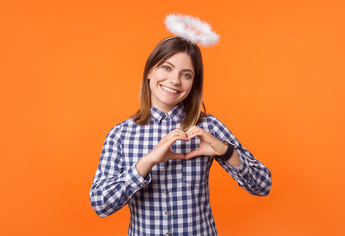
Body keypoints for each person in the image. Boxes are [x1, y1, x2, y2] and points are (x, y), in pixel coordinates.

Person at [89, 36, 272, 235]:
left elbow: (263, 186)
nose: (175, 80)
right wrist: (148, 161)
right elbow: (101, 204)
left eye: (186, 75)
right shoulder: (121, 134)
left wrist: (226, 151)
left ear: (193, 83)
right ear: (150, 71)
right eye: (167, 68)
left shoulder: (208, 126)